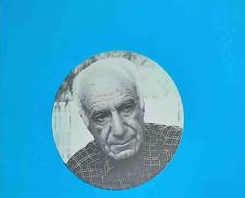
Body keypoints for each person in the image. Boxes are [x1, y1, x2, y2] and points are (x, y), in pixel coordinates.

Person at [67, 57, 182, 190]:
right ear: (87, 123)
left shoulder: (176, 145)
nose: (119, 130)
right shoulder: (78, 170)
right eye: (101, 117)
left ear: (142, 106)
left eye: (127, 108)